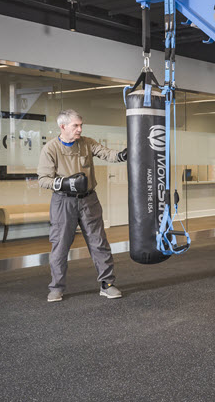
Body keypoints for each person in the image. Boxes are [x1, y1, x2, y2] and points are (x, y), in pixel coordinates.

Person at [37, 109, 127, 302]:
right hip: (63, 202)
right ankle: (56, 288)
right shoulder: (50, 149)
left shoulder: (87, 143)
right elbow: (43, 179)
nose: (79, 129)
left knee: (99, 243)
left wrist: (122, 155)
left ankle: (107, 284)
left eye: (80, 125)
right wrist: (64, 183)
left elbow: (107, 154)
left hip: (89, 200)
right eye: (75, 126)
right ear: (63, 127)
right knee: (60, 246)